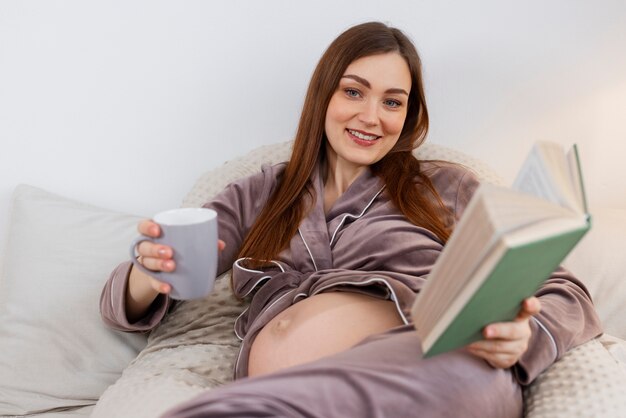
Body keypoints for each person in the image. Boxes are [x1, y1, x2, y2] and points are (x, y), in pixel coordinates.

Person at [100, 21, 602, 417]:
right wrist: (150, 273)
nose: (370, 117)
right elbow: (124, 299)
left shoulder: (445, 187)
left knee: (467, 383)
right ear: (324, 95)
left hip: (425, 367)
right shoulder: (262, 191)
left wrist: (523, 338)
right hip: (288, 389)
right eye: (354, 91)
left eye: (392, 102)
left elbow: (565, 290)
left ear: (408, 116)